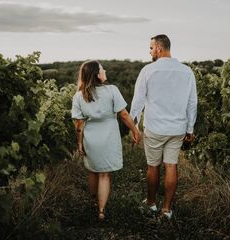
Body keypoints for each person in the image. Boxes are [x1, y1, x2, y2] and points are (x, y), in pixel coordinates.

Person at [130, 34, 197, 219]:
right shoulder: (187, 71)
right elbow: (192, 103)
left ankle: (151, 204)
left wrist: (133, 126)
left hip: (155, 128)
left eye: (151, 48)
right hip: (178, 129)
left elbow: (138, 101)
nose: (150, 51)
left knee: (153, 167)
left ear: (159, 48)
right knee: (171, 166)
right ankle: (167, 209)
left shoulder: (148, 71)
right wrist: (190, 128)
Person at [71, 60, 141, 220]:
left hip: (91, 138)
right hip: (109, 136)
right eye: (102, 69)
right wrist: (135, 130)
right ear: (97, 75)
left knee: (92, 170)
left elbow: (79, 124)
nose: (105, 71)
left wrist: (80, 143)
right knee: (104, 174)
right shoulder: (112, 90)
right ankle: (102, 211)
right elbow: (123, 115)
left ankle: (93, 201)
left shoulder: (78, 96)